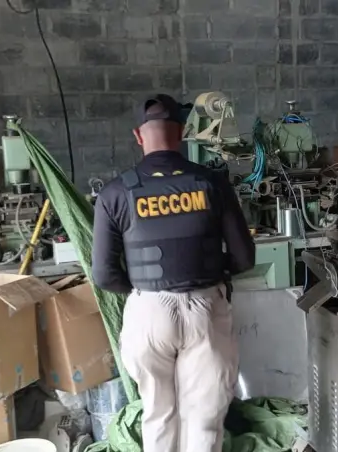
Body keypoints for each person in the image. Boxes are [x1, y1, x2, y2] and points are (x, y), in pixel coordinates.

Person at [91, 94, 256, 452]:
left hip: (148, 312)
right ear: (181, 133)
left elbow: (104, 275)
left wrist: (144, 288)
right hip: (204, 311)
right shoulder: (211, 183)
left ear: (138, 136)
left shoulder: (116, 192)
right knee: (203, 423)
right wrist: (208, 271)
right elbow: (244, 258)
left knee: (158, 416)